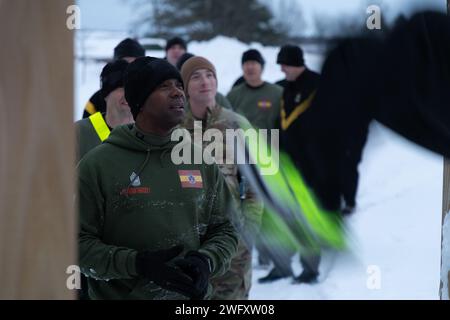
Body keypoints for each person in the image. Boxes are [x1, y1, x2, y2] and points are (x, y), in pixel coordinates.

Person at [77, 57, 238, 300]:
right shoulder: (97, 165)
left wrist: (207, 260)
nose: (177, 93)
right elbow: (74, 244)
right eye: (164, 86)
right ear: (139, 100)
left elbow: (227, 228)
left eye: (179, 85)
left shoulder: (200, 160)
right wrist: (136, 264)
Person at [180, 56, 263, 299]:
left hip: (233, 244)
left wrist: (248, 231)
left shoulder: (238, 125)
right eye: (196, 76)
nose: (205, 81)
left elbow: (255, 187)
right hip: (188, 244)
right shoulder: (175, 130)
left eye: (210, 75)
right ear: (185, 86)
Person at [258, 44, 321, 285]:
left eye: (283, 63)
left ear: (294, 62)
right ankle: (281, 266)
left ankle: (310, 269)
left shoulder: (319, 84)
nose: (281, 68)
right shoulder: (281, 88)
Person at [226, 49, 282, 267]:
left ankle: (270, 254)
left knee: (267, 210)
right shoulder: (234, 95)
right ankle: (243, 253)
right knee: (243, 208)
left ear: (262, 67)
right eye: (246, 63)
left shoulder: (276, 93)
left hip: (269, 161)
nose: (250, 67)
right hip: (241, 161)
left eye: (254, 63)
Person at [75, 59, 134, 162]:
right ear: (106, 94)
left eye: (134, 88)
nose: (129, 94)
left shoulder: (152, 134)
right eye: (122, 87)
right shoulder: (79, 133)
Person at [82, 38, 145, 119]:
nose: (129, 68)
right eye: (124, 63)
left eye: (135, 63)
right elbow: (86, 128)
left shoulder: (151, 97)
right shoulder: (97, 100)